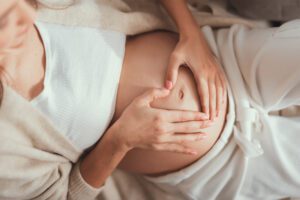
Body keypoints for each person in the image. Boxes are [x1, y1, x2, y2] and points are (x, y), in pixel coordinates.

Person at [1, 1, 300, 200]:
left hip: (225, 59)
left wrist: (190, 33)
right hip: (216, 169)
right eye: (4, 23)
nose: (24, 15)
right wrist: (120, 140)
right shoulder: (7, 149)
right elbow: (65, 195)